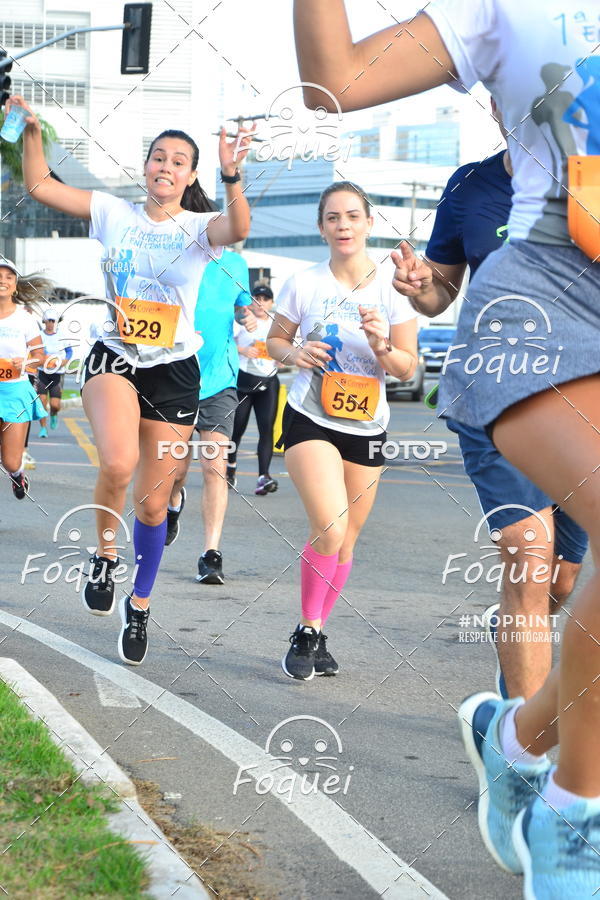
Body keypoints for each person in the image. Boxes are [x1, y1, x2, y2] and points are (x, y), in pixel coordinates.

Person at [293, 2, 600, 893]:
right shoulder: (507, 19)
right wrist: (425, 288)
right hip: (539, 314)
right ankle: (573, 813)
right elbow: (332, 80)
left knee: (575, 575)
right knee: (530, 549)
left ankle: (514, 739)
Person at [15, 91, 253, 666]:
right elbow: (42, 185)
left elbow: (239, 227)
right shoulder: (113, 213)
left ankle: (140, 604)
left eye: (177, 161)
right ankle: (103, 556)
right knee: (117, 464)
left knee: (151, 507)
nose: (165, 166)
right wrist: (28, 130)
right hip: (114, 354)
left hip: (175, 369)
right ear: (144, 167)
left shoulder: (200, 227)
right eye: (157, 157)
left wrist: (233, 174)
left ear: (190, 174)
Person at [393, 102, 588, 701]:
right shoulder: (471, 185)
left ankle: (515, 660)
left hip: (582, 403)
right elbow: (440, 293)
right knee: (530, 560)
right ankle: (524, 768)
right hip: (495, 391)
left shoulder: (592, 181)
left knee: (558, 580)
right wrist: (424, 289)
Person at [267, 181, 417, 680]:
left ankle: (316, 630)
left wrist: (380, 345)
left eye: (353, 216)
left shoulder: (393, 289)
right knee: (329, 527)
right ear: (321, 227)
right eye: (333, 218)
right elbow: (275, 341)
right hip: (311, 416)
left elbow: (405, 368)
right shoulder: (304, 283)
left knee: (346, 541)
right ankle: (307, 630)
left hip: (367, 425)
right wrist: (296, 353)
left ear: (369, 223)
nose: (343, 225)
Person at [165, 249, 257, 587]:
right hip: (176, 378)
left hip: (220, 381)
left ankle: (211, 553)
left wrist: (246, 318)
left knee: (215, 467)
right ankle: (174, 505)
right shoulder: (172, 257)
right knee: (175, 470)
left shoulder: (235, 263)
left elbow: (240, 306)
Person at [0, 259, 48, 498]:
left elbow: (40, 355)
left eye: (9, 277)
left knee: (10, 461)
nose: (3, 280)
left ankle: (17, 474)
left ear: (15, 285)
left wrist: (25, 362)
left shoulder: (25, 319)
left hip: (15, 392)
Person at [229, 285, 281, 496]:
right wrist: (242, 349)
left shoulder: (278, 323)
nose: (261, 303)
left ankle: (264, 477)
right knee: (238, 428)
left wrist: (283, 356)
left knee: (266, 429)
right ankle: (230, 467)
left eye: (265, 299)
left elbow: (290, 346)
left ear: (271, 302)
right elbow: (224, 342)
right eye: (257, 298)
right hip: (244, 381)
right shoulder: (242, 318)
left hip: (268, 381)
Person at [35, 306, 71, 437]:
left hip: (57, 373)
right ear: (44, 321)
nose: (50, 323)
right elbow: (34, 351)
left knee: (55, 405)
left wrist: (64, 362)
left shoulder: (62, 336)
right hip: (42, 373)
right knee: (42, 402)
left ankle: (54, 414)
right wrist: (40, 360)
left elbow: (69, 351)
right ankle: (43, 428)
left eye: (53, 320)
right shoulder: (39, 335)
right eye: (48, 320)